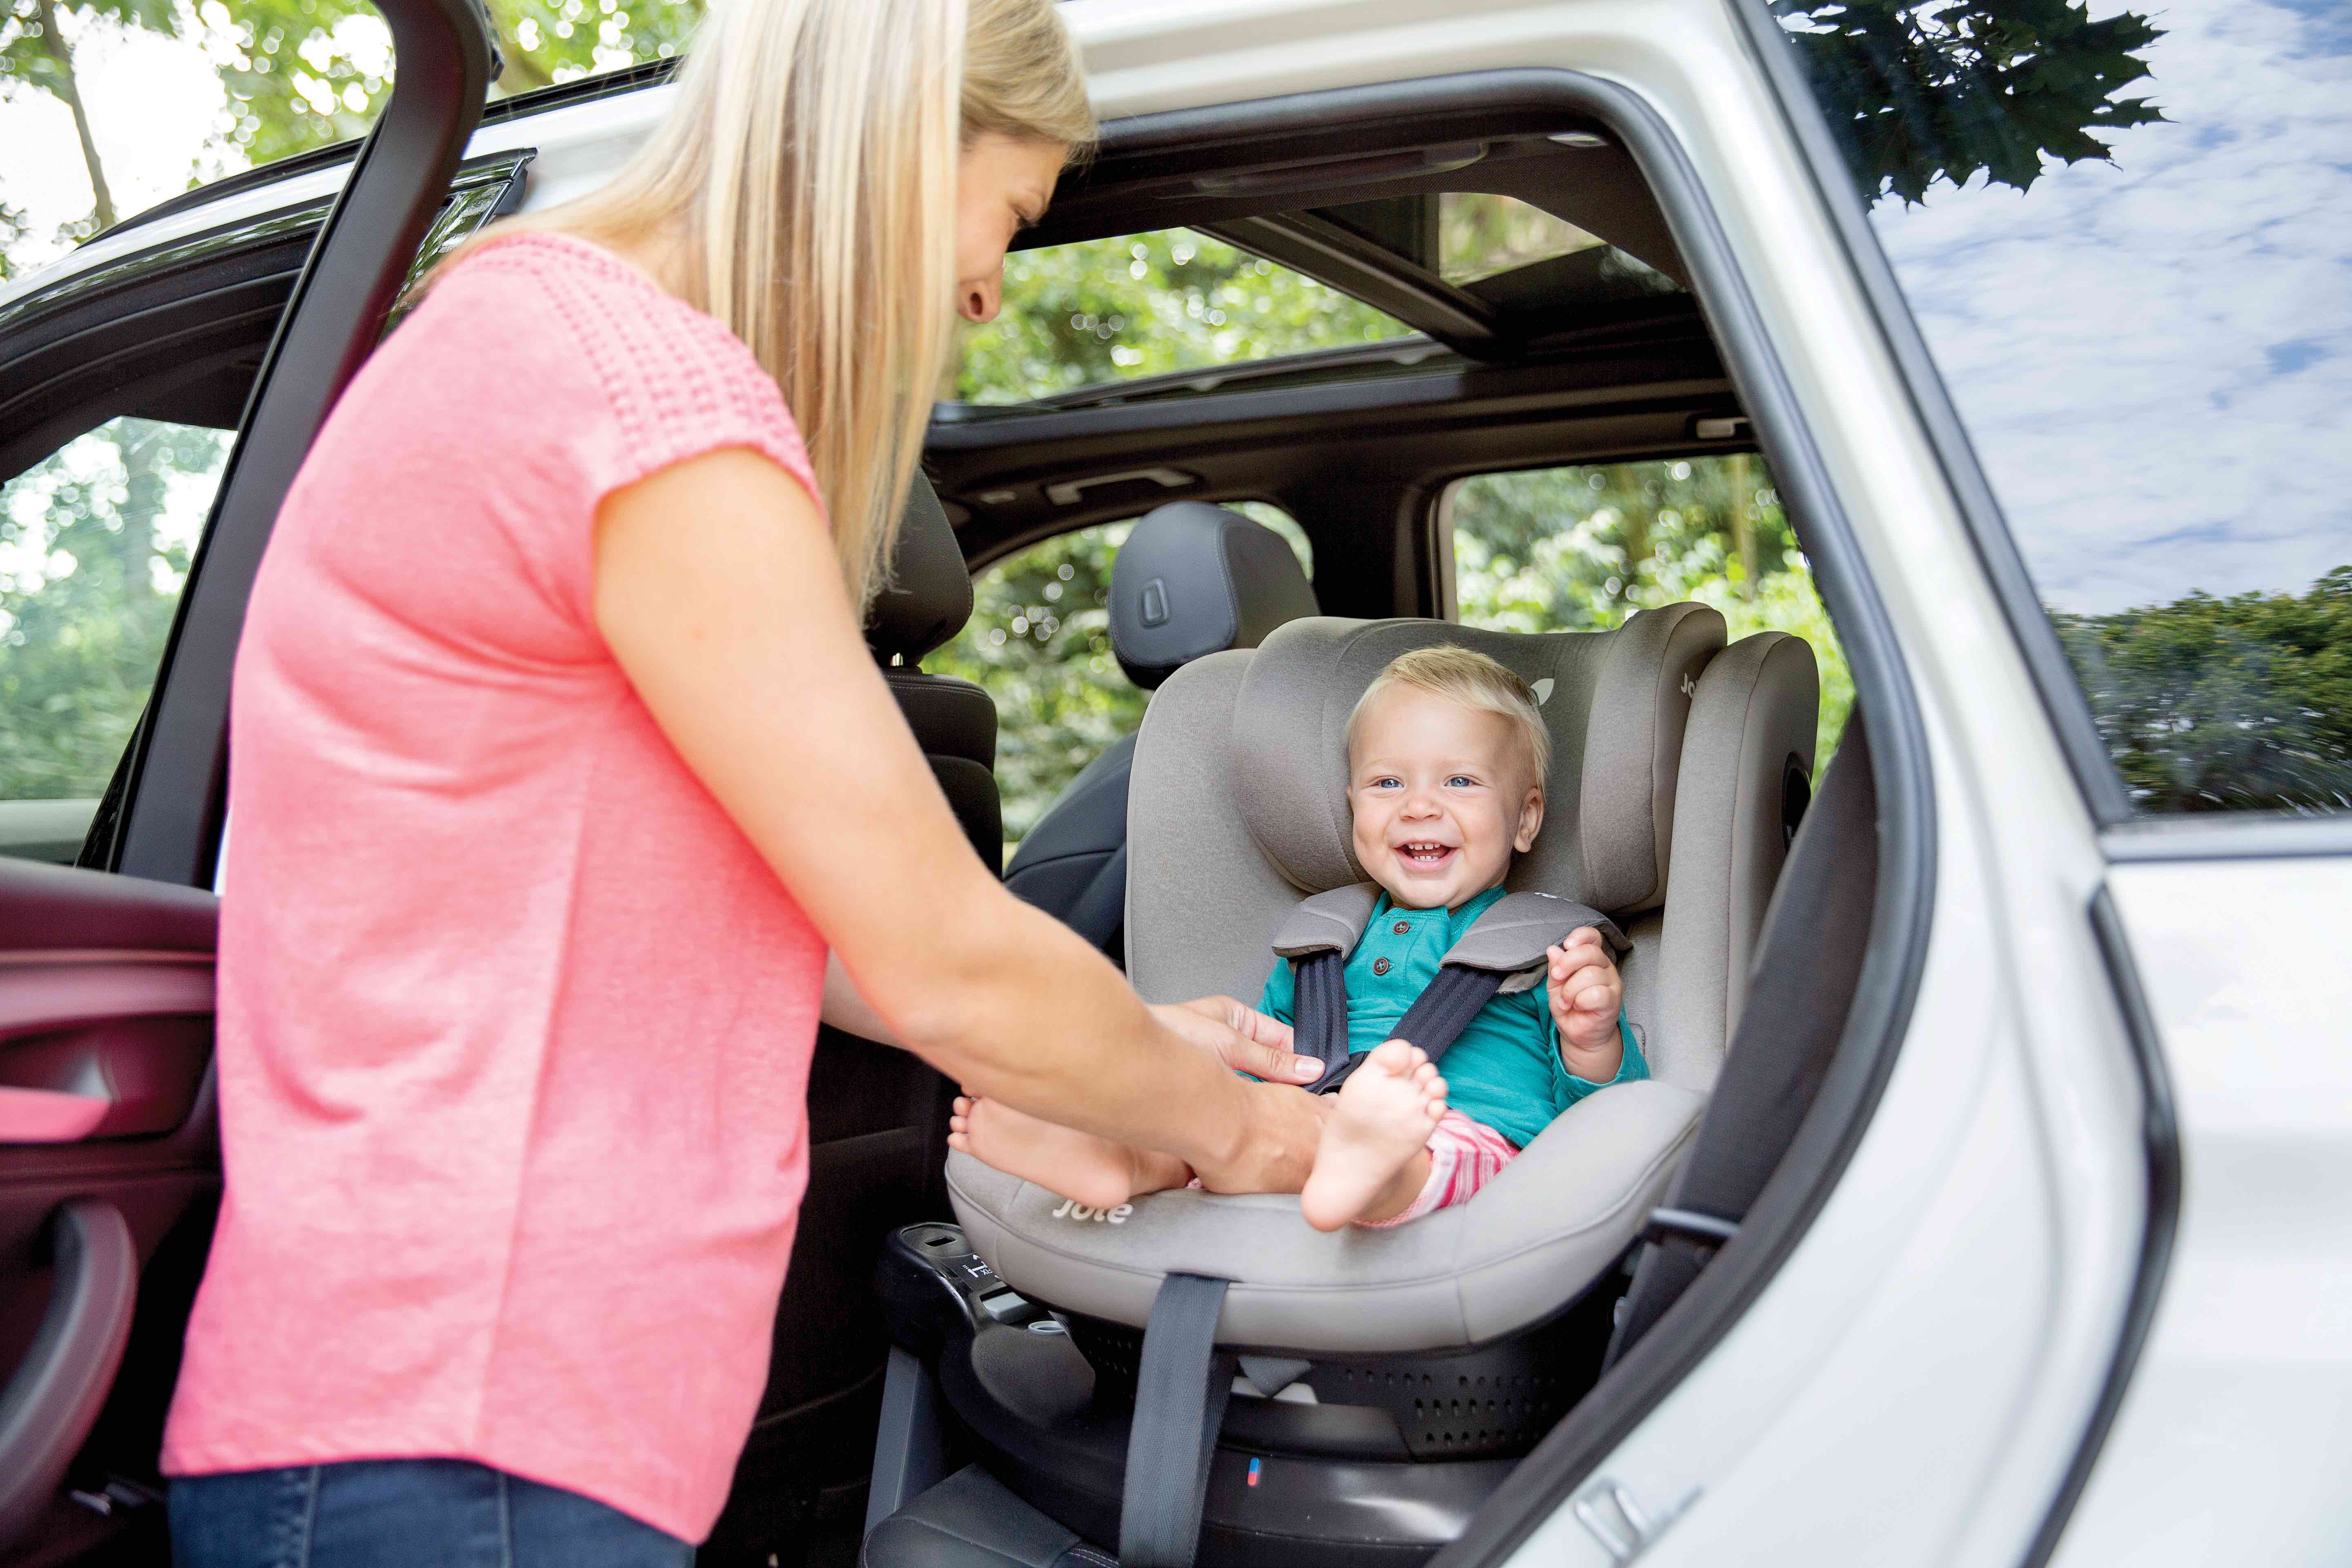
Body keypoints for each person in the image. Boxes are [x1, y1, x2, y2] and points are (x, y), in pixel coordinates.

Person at [160, 2, 1327, 1564]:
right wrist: (1265, 1141)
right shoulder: (642, 405)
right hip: (468, 1420)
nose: (989, 287)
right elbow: (945, 955)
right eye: (1011, 213)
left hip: (447, 1413)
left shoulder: (535, 354)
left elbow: (796, 934)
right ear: (902, 142)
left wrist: (1118, 1058)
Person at [950, 646, 1649, 1231]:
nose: (1419, 805)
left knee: (1391, 1148)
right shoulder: (1320, 943)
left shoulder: (1548, 948)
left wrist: (1591, 1040)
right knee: (1218, 1120)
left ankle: (1366, 1165)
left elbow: (1606, 1120)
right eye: (1387, 782)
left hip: (1457, 1141)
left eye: (1461, 780)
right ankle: (1123, 1160)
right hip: (1309, 1122)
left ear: (1526, 819)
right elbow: (1270, 1068)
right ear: (1352, 805)